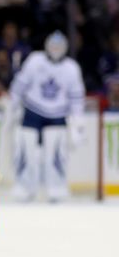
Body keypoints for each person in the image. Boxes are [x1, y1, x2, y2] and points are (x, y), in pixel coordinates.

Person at [7, 30, 86, 202]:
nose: (56, 49)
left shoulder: (71, 68)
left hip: (58, 114)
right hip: (32, 110)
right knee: (26, 151)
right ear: (46, 46)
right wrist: (11, 106)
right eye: (53, 45)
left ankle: (56, 187)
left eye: (59, 46)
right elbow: (19, 85)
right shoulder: (35, 61)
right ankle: (24, 187)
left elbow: (76, 97)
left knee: (57, 154)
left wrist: (78, 121)